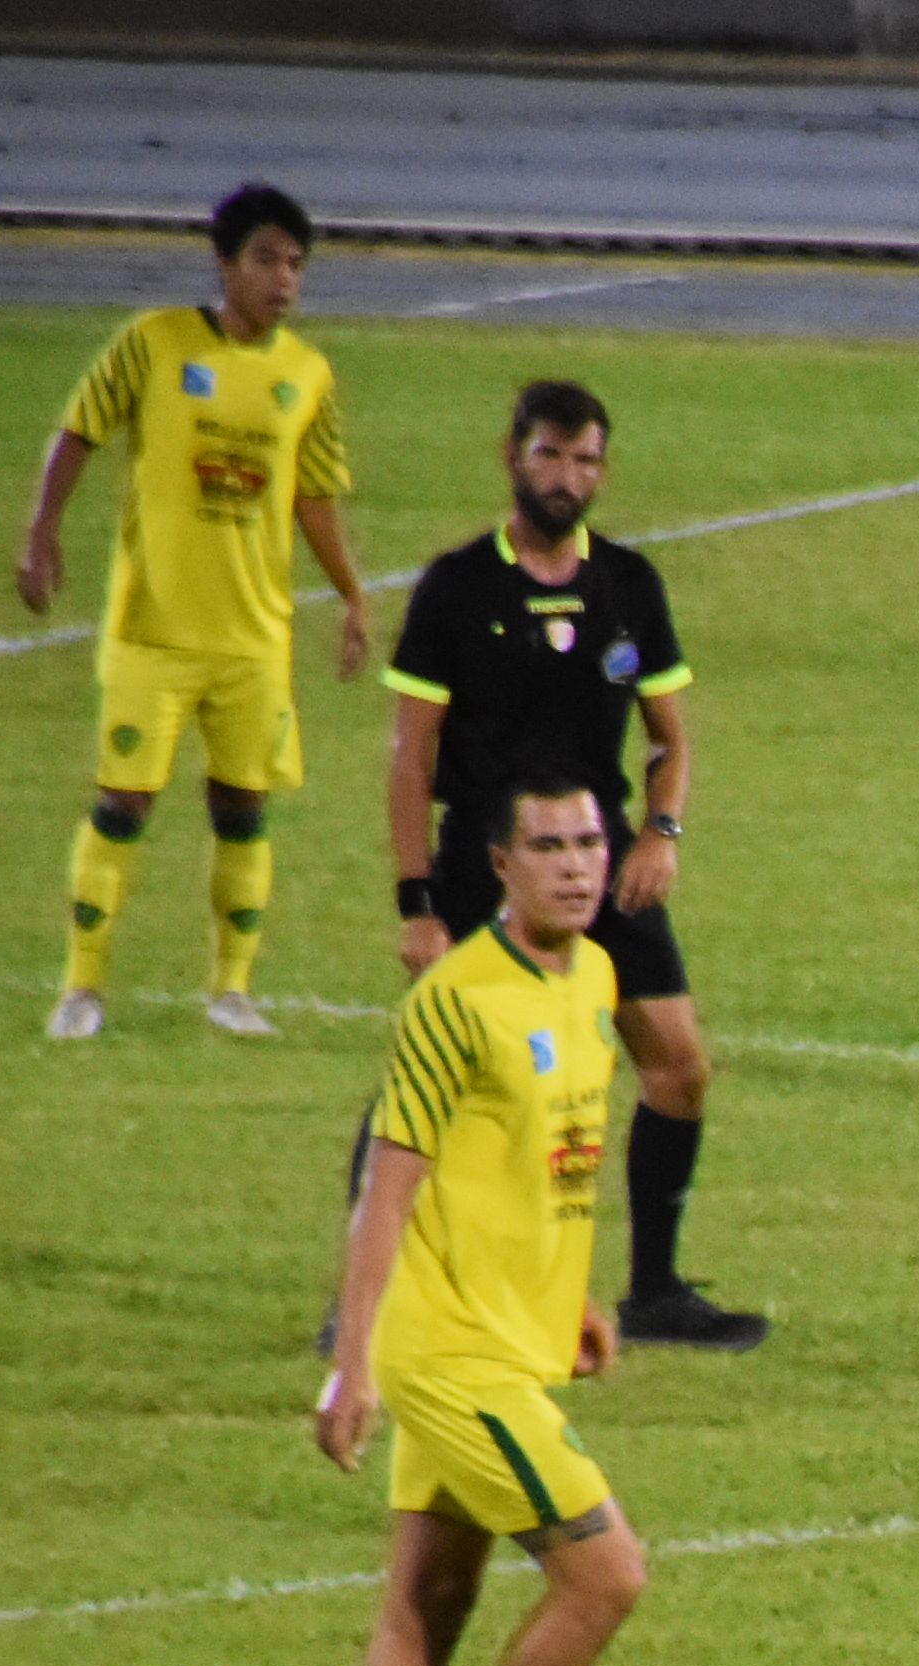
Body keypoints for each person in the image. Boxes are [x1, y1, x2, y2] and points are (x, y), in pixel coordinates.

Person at [312, 783, 636, 1666]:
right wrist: (352, 1368)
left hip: (514, 1343)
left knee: (428, 1597)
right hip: (450, 1356)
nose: (576, 865)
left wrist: (573, 1300)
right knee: (606, 1576)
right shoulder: (456, 1002)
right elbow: (384, 1194)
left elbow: (555, 1164)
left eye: (591, 840)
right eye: (547, 845)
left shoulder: (591, 978)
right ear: (499, 863)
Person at [384, 379, 766, 1352]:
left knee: (678, 1068)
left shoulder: (629, 586)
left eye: (587, 459)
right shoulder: (459, 587)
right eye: (551, 455)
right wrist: (417, 900)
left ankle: (655, 1292)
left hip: (602, 869)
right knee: (447, 1083)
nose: (569, 476)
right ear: (511, 456)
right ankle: (375, 1294)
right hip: (491, 871)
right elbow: (411, 759)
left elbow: (670, 742)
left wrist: (660, 836)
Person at [19, 183, 364, 1046]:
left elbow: (314, 496)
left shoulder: (308, 375)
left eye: (295, 263)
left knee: (245, 811)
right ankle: (81, 986)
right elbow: (79, 430)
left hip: (252, 641)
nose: (284, 279)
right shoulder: (155, 343)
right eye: (265, 259)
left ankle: (232, 991)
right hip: (154, 632)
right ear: (224, 263)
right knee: (123, 804)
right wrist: (42, 532)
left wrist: (354, 596)